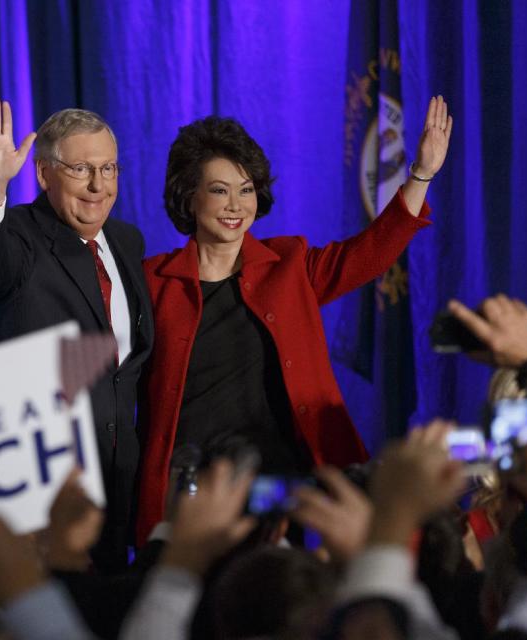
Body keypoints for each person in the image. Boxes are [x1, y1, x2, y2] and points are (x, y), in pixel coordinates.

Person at [136, 97, 453, 544]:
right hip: (193, 485)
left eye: (246, 190)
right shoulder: (152, 280)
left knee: (284, 599)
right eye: (219, 189)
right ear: (189, 196)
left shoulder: (288, 264)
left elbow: (367, 255)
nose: (235, 205)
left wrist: (420, 174)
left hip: (277, 481)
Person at [0, 98, 154, 572]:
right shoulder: (20, 236)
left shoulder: (127, 241)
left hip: (116, 476)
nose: (98, 185)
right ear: (44, 175)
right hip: (44, 482)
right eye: (82, 169)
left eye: (108, 168)